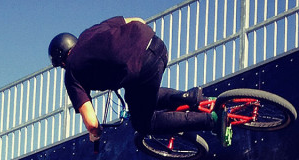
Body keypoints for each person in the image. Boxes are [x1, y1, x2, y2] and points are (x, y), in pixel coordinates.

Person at [48, 17, 226, 146]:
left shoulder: (71, 72)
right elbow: (137, 19)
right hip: (157, 44)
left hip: (144, 66)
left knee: (144, 123)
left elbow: (92, 123)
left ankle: (212, 121)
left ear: (62, 61)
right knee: (141, 93)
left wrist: (95, 134)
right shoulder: (90, 32)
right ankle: (192, 97)